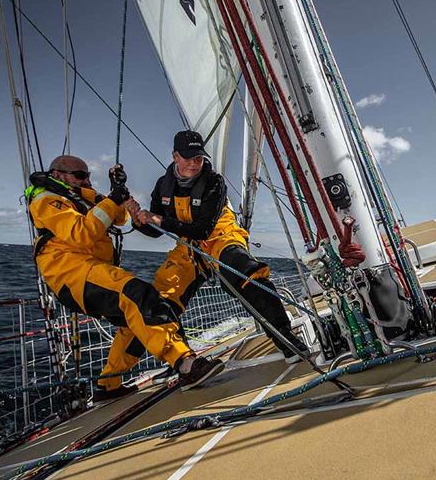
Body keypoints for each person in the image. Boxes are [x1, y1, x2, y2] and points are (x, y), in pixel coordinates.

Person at [25, 155, 224, 400]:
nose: (86, 180)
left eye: (87, 175)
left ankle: (108, 385)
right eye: (80, 176)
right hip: (71, 274)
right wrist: (113, 200)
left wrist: (117, 192)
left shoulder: (85, 198)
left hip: (92, 270)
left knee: (134, 322)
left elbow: (119, 218)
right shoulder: (47, 200)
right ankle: (184, 363)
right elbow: (81, 234)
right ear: (58, 175)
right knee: (138, 294)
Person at [133, 130, 309, 364]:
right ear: (175, 156)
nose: (194, 164)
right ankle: (184, 362)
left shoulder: (214, 182)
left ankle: (287, 340)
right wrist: (138, 220)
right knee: (159, 297)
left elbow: (203, 230)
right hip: (189, 248)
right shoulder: (163, 186)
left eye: (199, 158)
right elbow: (156, 231)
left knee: (248, 273)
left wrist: (159, 220)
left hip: (221, 238)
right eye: (188, 158)